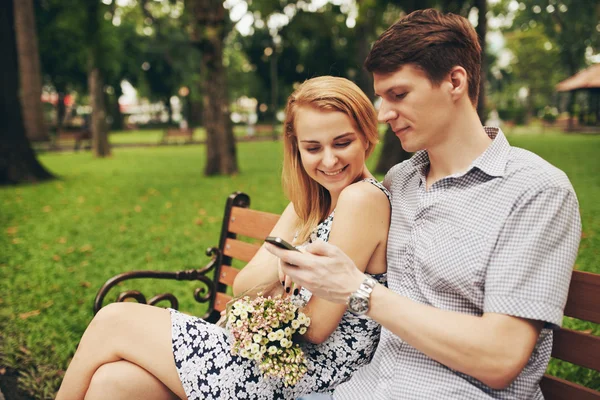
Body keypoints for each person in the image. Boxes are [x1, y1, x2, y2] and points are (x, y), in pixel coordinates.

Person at [267, 9, 582, 400]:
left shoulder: (535, 191)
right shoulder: (400, 182)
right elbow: (335, 200)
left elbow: (500, 358)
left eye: (398, 95)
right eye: (381, 98)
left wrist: (359, 291)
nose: (383, 114)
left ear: (454, 81)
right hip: (357, 391)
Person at [55, 76, 392, 400]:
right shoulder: (307, 205)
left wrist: (289, 272)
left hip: (304, 375)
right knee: (112, 383)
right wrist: (283, 266)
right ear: (296, 148)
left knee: (114, 320)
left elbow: (317, 328)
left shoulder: (362, 200)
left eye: (343, 142)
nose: (330, 160)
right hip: (266, 356)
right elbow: (243, 287)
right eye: (313, 147)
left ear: (367, 135)